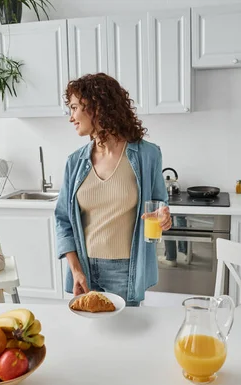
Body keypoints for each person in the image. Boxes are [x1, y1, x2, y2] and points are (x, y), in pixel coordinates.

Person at [55, 73, 172, 307]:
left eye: (75, 107)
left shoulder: (147, 155)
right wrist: (76, 270)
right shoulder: (75, 162)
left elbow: (160, 204)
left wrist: (163, 217)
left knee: (124, 338)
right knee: (91, 337)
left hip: (125, 269)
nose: (71, 117)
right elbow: (63, 220)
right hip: (85, 269)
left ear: (96, 106)